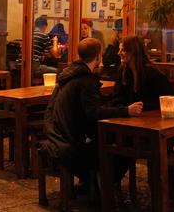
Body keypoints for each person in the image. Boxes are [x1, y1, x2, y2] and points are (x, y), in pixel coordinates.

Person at [43, 38, 143, 190]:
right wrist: (126, 111)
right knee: (125, 147)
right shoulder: (86, 80)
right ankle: (103, 186)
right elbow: (94, 113)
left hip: (56, 136)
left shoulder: (67, 74)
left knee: (107, 140)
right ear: (98, 57)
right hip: (70, 144)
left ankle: (92, 183)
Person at [112, 35, 174, 111]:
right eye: (119, 49)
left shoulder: (152, 73)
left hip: (150, 118)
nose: (118, 53)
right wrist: (125, 109)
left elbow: (166, 99)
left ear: (133, 51)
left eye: (123, 50)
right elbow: (117, 98)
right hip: (128, 117)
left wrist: (141, 107)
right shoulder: (122, 71)